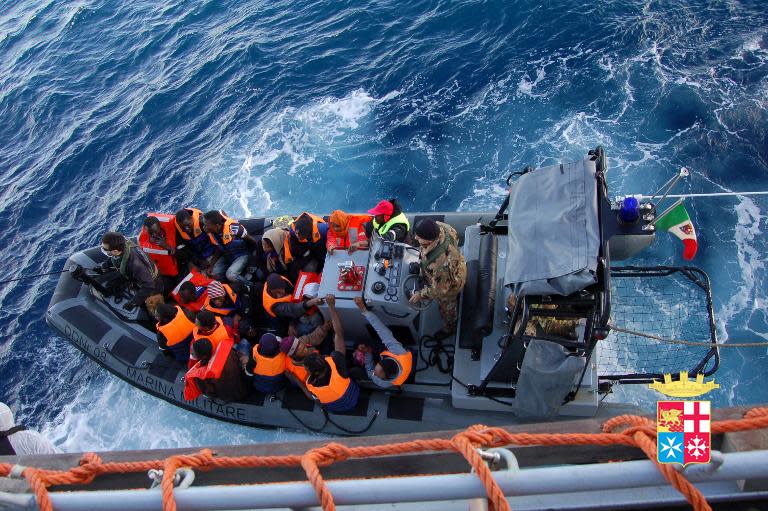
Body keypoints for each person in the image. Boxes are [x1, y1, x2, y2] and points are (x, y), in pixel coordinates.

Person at [408, 219, 467, 337]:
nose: (416, 239)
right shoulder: (443, 227)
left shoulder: (440, 264)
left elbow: (440, 290)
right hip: (458, 265)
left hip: (451, 284)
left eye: (419, 237)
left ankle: (449, 329)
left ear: (429, 239)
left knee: (447, 310)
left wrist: (421, 294)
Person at [303, 295, 360, 413]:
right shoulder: (337, 363)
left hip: (338, 407)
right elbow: (339, 334)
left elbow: (314, 398)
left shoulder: (311, 385)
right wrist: (331, 306)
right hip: (353, 396)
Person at [352, 297, 413, 388]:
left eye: (376, 373)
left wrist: (367, 354)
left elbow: (370, 372)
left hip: (380, 361)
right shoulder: (399, 352)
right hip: (397, 353)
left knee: (354, 371)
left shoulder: (382, 383)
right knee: (359, 341)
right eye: (376, 371)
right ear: (384, 359)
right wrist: (364, 310)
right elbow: (383, 331)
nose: (374, 374)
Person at [101, 231, 165, 317]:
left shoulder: (135, 265)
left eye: (106, 249)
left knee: (154, 309)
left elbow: (149, 286)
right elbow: (116, 258)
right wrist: (105, 265)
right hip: (143, 277)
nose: (104, 250)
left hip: (153, 284)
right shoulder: (124, 245)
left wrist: (133, 303)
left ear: (115, 251)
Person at [183, 338, 250, 403]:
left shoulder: (201, 377)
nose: (191, 353)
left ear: (203, 356)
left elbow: (210, 393)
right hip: (244, 387)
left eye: (193, 353)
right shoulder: (229, 352)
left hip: (230, 396)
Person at [203, 210, 257, 289]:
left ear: (217, 225)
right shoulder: (212, 233)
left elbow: (251, 240)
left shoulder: (234, 228)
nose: (204, 227)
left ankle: (250, 286)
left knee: (230, 275)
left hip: (242, 255)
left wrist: (253, 257)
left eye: (207, 225)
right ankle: (226, 287)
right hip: (228, 256)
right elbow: (218, 249)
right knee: (214, 273)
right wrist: (211, 265)